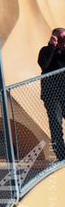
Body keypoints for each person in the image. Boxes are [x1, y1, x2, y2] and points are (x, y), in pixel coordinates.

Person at [38, 28, 65, 160]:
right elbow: (44, 64)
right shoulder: (45, 51)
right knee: (55, 125)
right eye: (59, 38)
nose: (62, 41)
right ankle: (62, 156)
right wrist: (52, 46)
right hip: (52, 95)